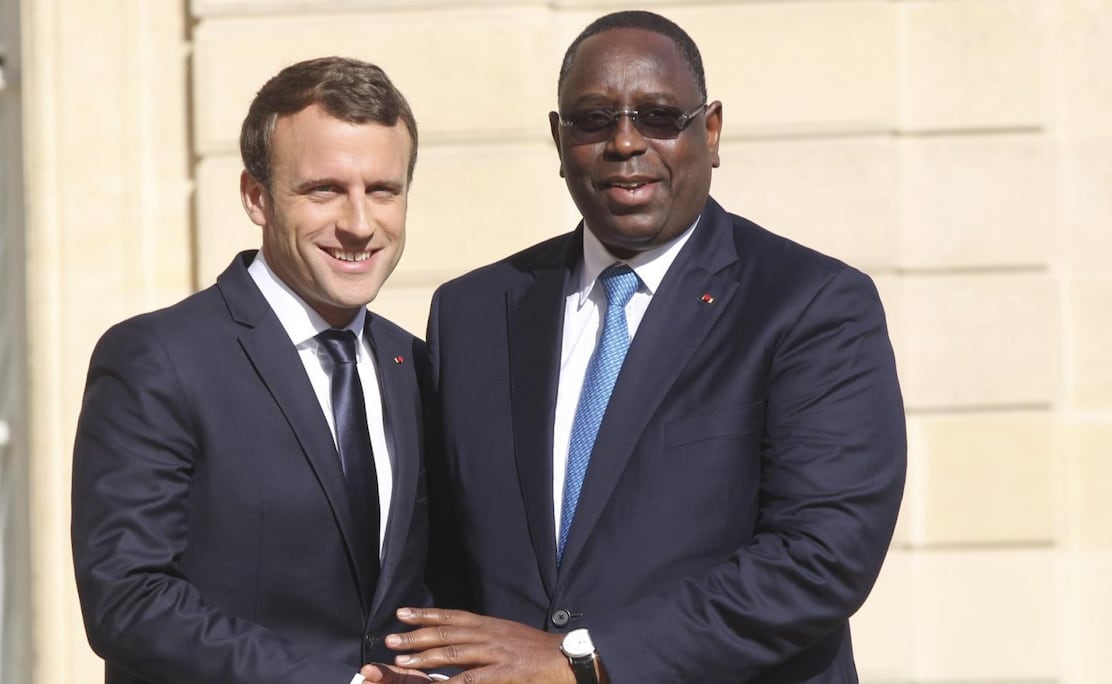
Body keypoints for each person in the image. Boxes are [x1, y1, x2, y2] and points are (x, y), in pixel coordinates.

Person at [367, 10, 907, 684]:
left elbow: (821, 557)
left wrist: (585, 658)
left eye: (658, 117)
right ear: (559, 140)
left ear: (710, 132)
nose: (625, 142)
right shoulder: (473, 311)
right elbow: (441, 554)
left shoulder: (811, 305)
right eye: (594, 120)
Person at [72, 56, 437, 684]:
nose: (359, 224)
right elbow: (127, 599)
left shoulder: (419, 367)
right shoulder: (157, 359)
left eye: (383, 190)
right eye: (324, 190)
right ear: (255, 197)